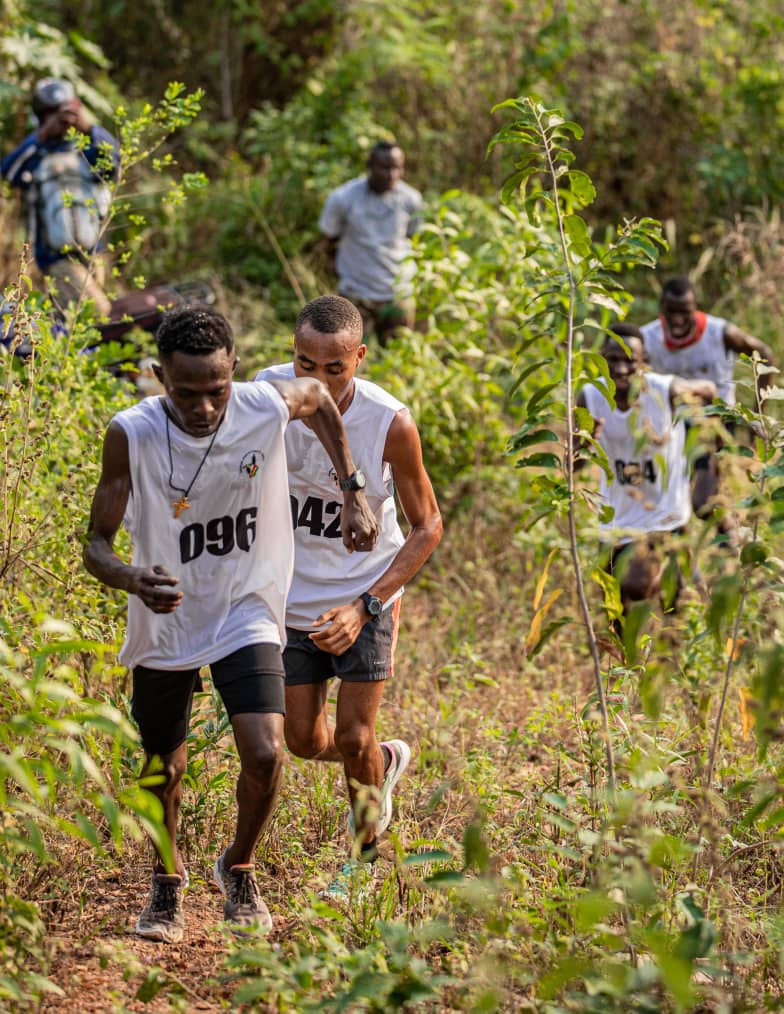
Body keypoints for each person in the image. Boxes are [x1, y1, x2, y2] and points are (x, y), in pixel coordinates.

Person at [83, 305, 378, 943]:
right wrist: (134, 578)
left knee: (268, 752)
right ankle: (166, 883)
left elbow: (321, 400)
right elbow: (95, 547)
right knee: (164, 764)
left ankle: (239, 866)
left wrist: (352, 487)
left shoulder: (263, 404)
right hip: (168, 618)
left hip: (247, 607)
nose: (204, 408)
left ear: (234, 373)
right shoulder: (131, 433)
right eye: (185, 394)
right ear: (159, 377)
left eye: (216, 391)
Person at [255, 295, 442, 886]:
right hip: (291, 596)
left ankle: (362, 862)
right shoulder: (267, 394)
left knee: (355, 732)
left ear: (359, 358)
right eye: (305, 364)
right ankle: (382, 762)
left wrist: (366, 607)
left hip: (366, 590)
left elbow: (428, 526)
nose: (318, 380)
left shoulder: (390, 423)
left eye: (334, 368)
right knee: (306, 741)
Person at [578, 324, 716, 612]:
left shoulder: (663, 390)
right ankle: (630, 656)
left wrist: (706, 463)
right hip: (616, 518)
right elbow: (575, 466)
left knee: (642, 588)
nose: (622, 368)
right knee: (616, 609)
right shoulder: (590, 398)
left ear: (644, 364)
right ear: (601, 360)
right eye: (613, 360)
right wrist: (586, 443)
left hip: (663, 515)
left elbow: (709, 391)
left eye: (630, 360)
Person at [640, 276, 775, 532]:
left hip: (715, 425)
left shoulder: (719, 333)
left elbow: (764, 354)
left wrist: (758, 414)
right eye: (671, 313)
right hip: (671, 428)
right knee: (663, 504)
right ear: (662, 311)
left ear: (696, 309)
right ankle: (696, 559)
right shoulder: (648, 339)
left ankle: (731, 542)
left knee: (703, 502)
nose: (678, 320)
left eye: (685, 312)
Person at [1, 78, 119, 318]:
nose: (61, 118)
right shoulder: (37, 153)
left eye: (64, 110)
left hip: (94, 254)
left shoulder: (88, 148)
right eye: (52, 113)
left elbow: (115, 163)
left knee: (70, 322)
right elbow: (8, 172)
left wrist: (89, 128)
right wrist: (42, 135)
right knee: (98, 313)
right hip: (55, 257)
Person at [319, 141, 422, 345]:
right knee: (347, 355)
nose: (391, 175)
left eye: (397, 168)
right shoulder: (343, 198)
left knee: (398, 355)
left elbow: (415, 239)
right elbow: (328, 240)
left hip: (398, 293)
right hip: (356, 293)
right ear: (370, 165)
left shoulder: (411, 199)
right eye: (385, 167)